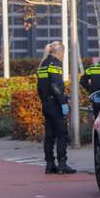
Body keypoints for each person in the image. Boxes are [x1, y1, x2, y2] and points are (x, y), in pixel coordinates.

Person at [37, 41, 75, 175]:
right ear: (59, 52)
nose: (63, 56)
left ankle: (49, 164)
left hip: (46, 104)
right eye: (63, 54)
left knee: (49, 135)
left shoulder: (43, 64)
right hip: (56, 104)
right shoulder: (55, 64)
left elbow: (39, 88)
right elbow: (56, 85)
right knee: (61, 134)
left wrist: (44, 101)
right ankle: (62, 164)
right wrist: (62, 102)